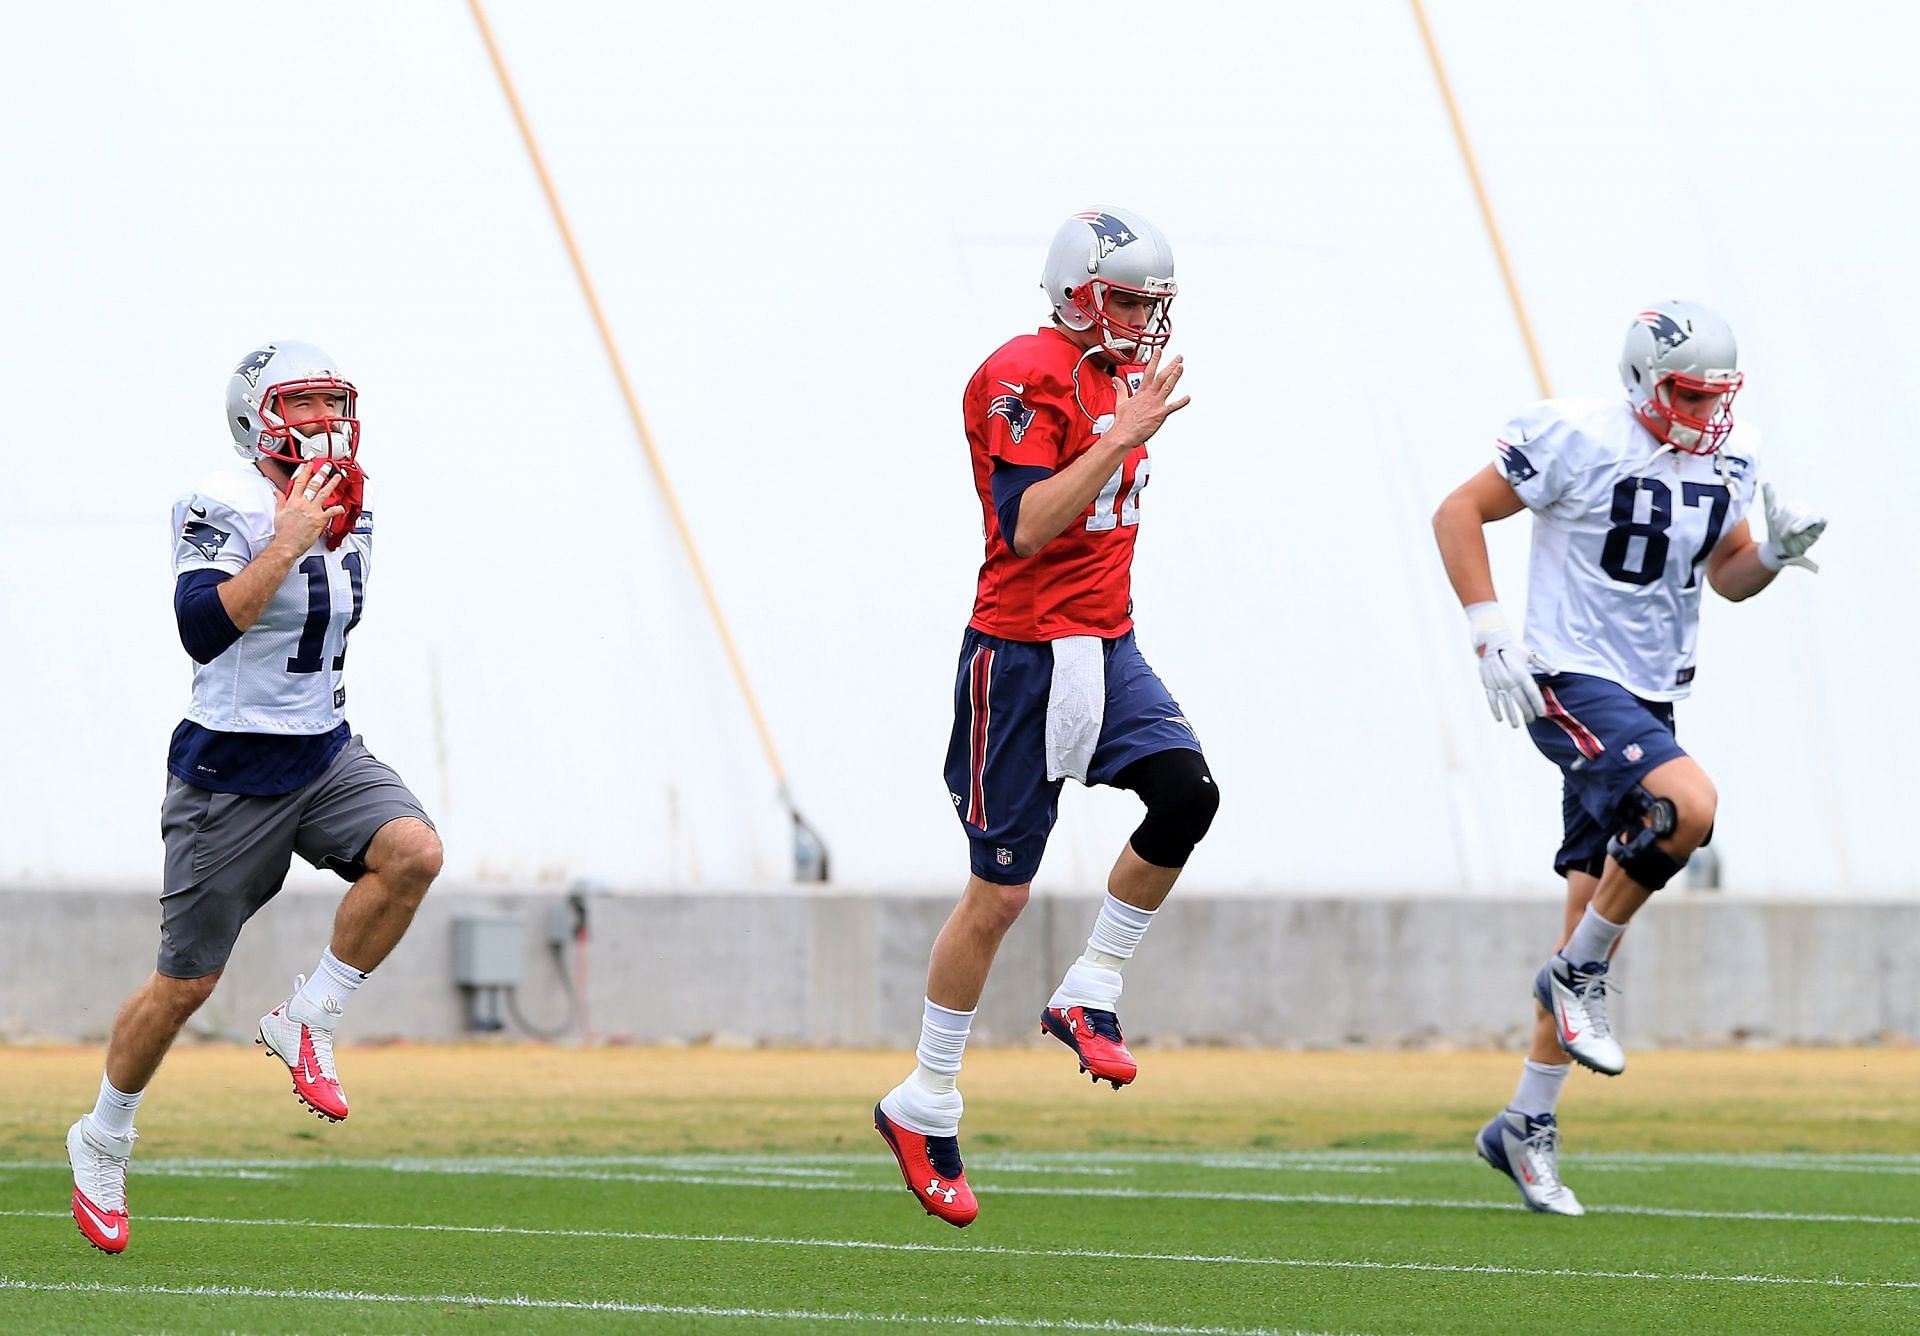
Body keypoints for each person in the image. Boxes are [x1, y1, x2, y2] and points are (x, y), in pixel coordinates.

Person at [1432, 300, 1826, 1214]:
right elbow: (1459, 511)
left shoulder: (1734, 450)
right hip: (1569, 673)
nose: (1705, 413)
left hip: (1651, 695)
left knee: (1589, 897)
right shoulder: (1577, 435)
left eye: (1718, 395)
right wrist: (1489, 629)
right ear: (1645, 381)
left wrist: (1771, 553)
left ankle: (1524, 1121)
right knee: (1686, 808)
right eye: (1688, 393)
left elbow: (1725, 574)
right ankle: (1578, 975)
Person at [873, 209, 1220, 1227]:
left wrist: (1122, 425)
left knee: (1186, 795)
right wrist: (1119, 438)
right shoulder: (1025, 371)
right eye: (1126, 299)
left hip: (1106, 646)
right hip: (1020, 657)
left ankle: (1088, 987)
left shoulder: (1120, 379)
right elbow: (1026, 527)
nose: (1142, 319)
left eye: (1154, 304)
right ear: (1074, 288)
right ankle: (924, 1100)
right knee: (998, 897)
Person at [66, 342, 445, 1254]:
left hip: (322, 753)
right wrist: (286, 543)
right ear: (257, 415)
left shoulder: (353, 499)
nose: (322, 421)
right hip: (228, 774)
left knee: (414, 852)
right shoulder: (221, 500)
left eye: (330, 404)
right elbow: (202, 628)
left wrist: (318, 532)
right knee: (185, 983)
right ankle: (104, 1132)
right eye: (303, 404)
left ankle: (307, 1016)